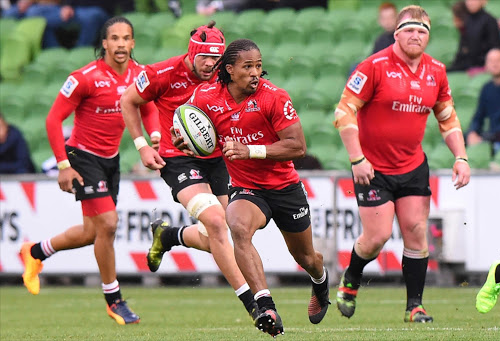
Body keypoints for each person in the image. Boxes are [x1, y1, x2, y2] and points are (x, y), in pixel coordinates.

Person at [178, 38, 330, 337]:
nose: (255, 72)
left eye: (259, 66)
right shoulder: (206, 96)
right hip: (247, 188)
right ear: (229, 69)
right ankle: (265, 305)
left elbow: (297, 147)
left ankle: (321, 282)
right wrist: (182, 138)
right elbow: (189, 127)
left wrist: (251, 150)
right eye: (248, 67)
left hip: (285, 187)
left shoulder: (274, 97)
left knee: (306, 259)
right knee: (236, 225)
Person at [332, 5, 471, 323]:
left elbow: (447, 119)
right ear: (396, 34)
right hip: (372, 167)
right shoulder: (373, 66)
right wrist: (357, 159)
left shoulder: (436, 70)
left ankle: (415, 307)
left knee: (416, 231)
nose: (416, 36)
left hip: (412, 166)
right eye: (409, 30)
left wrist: (461, 157)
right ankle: (352, 278)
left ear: (428, 37)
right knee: (376, 238)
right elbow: (344, 113)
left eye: (422, 31)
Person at [19, 16, 160, 325]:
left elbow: (148, 107)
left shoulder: (140, 75)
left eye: (126, 38)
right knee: (109, 224)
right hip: (81, 157)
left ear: (133, 43)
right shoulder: (85, 78)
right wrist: (63, 166)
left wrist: (157, 140)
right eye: (115, 38)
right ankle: (114, 299)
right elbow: (53, 120)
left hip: (110, 160)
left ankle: (35, 252)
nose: (121, 43)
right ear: (105, 43)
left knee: (91, 233)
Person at [120, 21, 259, 322]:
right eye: (204, 57)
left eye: (216, 58)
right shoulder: (162, 73)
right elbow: (128, 100)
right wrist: (143, 145)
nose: (210, 64)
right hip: (178, 159)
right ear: (191, 53)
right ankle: (252, 303)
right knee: (217, 223)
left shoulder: (226, 77)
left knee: (231, 232)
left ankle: (170, 236)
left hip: (218, 158)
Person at [465, 48, 500, 155]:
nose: (494, 64)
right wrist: (473, 132)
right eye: (491, 61)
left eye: (498, 60)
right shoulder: (487, 88)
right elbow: (478, 116)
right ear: (486, 65)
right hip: (493, 135)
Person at [448, 0, 500, 74]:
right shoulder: (467, 21)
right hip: (467, 64)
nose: (470, 2)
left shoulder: (490, 21)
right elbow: (463, 48)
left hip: (482, 65)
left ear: (483, 1)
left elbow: (495, 47)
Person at [24, 0, 110, 48]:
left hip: (94, 9)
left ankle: (80, 51)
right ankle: (56, 51)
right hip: (71, 9)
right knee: (36, 16)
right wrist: (67, 5)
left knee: (90, 17)